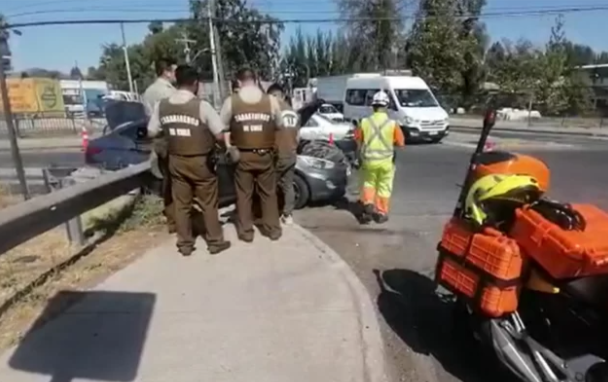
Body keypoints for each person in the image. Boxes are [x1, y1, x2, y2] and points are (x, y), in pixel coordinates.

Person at [147, 64, 231, 256]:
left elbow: (152, 131)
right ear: (195, 84)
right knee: (208, 202)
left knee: (182, 204)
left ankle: (185, 244)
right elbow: (219, 135)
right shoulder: (202, 106)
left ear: (177, 81)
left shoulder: (163, 106)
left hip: (176, 161)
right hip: (201, 162)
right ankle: (215, 242)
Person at [220, 68, 284, 242]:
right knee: (268, 193)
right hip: (265, 154)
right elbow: (279, 124)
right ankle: (273, 229)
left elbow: (222, 126)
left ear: (239, 82)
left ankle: (246, 232)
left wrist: (228, 145)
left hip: (242, 155)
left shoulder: (231, 102)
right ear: (255, 80)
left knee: (243, 194)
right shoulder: (270, 101)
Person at [354, 90, 405, 224]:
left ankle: (369, 204)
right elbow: (401, 143)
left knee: (369, 183)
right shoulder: (393, 124)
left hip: (369, 161)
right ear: (386, 106)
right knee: (384, 186)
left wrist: (358, 156)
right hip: (386, 162)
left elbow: (358, 139)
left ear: (373, 106)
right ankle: (381, 212)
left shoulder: (364, 122)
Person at [142, 59, 178, 233]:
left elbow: (149, 120)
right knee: (177, 180)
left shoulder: (148, 91)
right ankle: (179, 218)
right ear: (166, 72)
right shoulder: (166, 92)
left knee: (168, 180)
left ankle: (173, 217)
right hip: (171, 138)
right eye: (174, 71)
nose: (176, 75)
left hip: (158, 139)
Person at [267, 82, 300, 225]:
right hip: (291, 154)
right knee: (288, 185)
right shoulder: (293, 112)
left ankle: (270, 214)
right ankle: (288, 215)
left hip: (278, 154)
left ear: (274, 96)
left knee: (269, 186)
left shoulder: (273, 111)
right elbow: (298, 136)